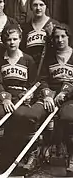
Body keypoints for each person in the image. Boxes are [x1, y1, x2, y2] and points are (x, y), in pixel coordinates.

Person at [0, 24, 46, 174]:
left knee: (25, 116)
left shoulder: (27, 59)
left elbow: (33, 83)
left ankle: (29, 154)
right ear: (4, 41)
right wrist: (5, 99)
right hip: (5, 96)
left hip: (22, 97)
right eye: (8, 39)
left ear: (20, 39)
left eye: (15, 39)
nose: (12, 42)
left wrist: (29, 94)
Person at [40, 23, 73, 173]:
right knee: (41, 113)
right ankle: (43, 153)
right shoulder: (49, 57)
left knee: (67, 116)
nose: (60, 40)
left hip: (70, 96)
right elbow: (43, 78)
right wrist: (47, 95)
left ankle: (70, 155)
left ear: (68, 37)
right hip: (52, 94)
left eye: (63, 36)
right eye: (56, 37)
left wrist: (66, 93)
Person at [20, 0, 59, 69]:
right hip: (31, 67)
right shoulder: (25, 27)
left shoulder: (54, 24)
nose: (38, 8)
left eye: (41, 5)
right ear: (31, 7)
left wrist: (51, 36)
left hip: (48, 66)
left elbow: (60, 49)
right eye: (35, 5)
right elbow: (22, 50)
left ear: (46, 6)